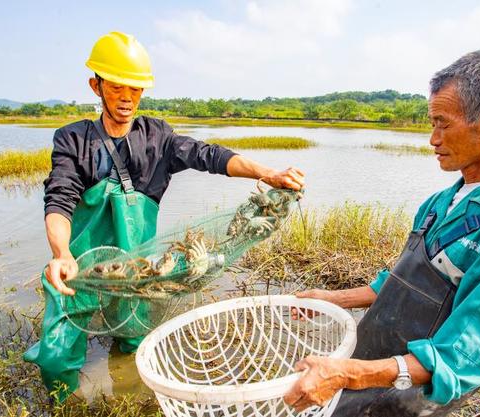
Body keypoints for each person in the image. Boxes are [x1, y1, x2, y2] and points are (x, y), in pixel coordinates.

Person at [23, 31, 305, 402]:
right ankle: (67, 405)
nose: (126, 98)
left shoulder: (158, 137)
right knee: (57, 358)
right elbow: (59, 198)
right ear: (96, 86)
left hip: (139, 272)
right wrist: (61, 253)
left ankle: (127, 395)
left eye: (135, 90)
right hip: (79, 269)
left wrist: (265, 173)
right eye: (117, 87)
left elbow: (210, 155)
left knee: (135, 342)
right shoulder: (72, 140)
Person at [283, 49, 480, 416]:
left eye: (443, 123)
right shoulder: (439, 203)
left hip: (406, 399)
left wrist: (348, 373)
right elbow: (400, 282)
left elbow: (463, 356)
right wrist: (331, 299)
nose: (432, 139)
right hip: (362, 374)